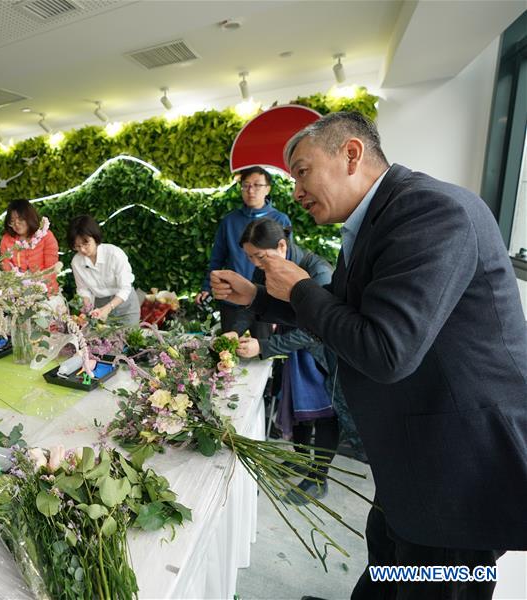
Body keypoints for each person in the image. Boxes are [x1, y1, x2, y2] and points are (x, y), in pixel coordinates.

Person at [211, 111, 527, 599]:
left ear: (351, 154)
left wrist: (298, 290)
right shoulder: (378, 219)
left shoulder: (431, 211)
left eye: (301, 170)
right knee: (388, 560)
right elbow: (339, 312)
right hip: (412, 455)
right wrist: (256, 298)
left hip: (458, 469)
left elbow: (386, 350)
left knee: (435, 583)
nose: (294, 190)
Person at [231, 217, 341, 503]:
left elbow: (315, 331)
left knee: (324, 416)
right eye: (250, 257)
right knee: (300, 412)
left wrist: (265, 346)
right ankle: (303, 462)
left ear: (282, 245)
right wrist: (234, 332)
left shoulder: (319, 272)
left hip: (320, 355)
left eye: (260, 256)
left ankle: (319, 478)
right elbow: (253, 302)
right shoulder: (265, 266)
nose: (255, 263)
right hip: (293, 352)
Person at [196, 166, 291, 338]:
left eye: (257, 185)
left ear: (267, 188)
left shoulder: (280, 220)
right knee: (227, 348)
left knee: (263, 347)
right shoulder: (230, 221)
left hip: (265, 297)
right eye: (246, 185)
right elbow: (217, 257)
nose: (251, 190)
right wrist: (207, 287)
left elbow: (287, 261)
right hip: (232, 297)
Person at [67, 215, 140, 326]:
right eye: (77, 246)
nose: (82, 250)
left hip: (125, 304)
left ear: (95, 238)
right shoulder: (76, 262)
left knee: (130, 339)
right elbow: (83, 289)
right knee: (103, 340)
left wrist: (108, 308)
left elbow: (125, 288)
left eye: (86, 243)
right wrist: (87, 309)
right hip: (99, 305)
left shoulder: (114, 254)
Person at [0, 199, 61, 294]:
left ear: (29, 217)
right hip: (17, 293)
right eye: (12, 221)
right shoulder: (6, 240)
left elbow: (51, 270)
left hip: (46, 291)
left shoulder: (46, 236)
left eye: (20, 219)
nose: (16, 224)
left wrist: (35, 285)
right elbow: (6, 269)